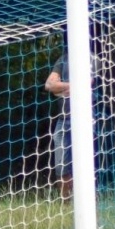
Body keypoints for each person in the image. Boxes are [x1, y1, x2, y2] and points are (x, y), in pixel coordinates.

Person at [43, 59, 73, 198]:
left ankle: (86, 201)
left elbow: (87, 84)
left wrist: (59, 89)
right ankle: (66, 203)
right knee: (61, 165)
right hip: (63, 120)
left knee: (85, 163)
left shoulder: (92, 59)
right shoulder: (63, 59)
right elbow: (49, 85)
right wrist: (72, 86)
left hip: (86, 119)